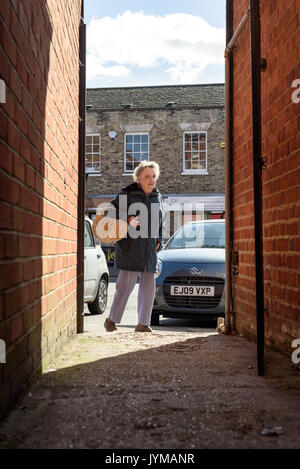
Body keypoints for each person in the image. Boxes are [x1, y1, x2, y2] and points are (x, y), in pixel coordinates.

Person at [104, 161, 164, 333]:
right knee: (125, 286)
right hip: (130, 246)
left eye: (154, 176)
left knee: (149, 286)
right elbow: (110, 212)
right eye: (147, 176)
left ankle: (143, 323)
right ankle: (111, 320)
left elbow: (161, 220)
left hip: (149, 248)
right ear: (138, 178)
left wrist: (158, 239)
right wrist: (127, 219)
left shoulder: (157, 196)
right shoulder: (127, 193)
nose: (151, 180)